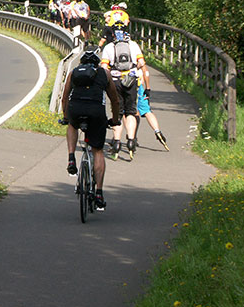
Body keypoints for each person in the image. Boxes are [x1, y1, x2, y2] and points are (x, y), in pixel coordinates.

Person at [61, 47, 121, 210]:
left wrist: (66, 117)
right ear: (97, 62)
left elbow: (65, 97)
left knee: (72, 125)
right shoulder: (104, 74)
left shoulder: (74, 73)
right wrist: (115, 120)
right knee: (97, 150)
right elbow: (115, 101)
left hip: (76, 108)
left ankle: (71, 157)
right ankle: (99, 192)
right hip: (96, 112)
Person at [100, 25, 146, 160]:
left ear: (113, 34)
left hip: (115, 82)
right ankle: (131, 141)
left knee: (117, 112)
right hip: (131, 81)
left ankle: (117, 142)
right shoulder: (133, 45)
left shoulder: (108, 47)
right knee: (131, 111)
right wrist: (133, 72)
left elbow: (104, 67)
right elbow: (141, 63)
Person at [135, 65, 170, 151]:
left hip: (126, 85)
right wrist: (148, 87)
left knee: (128, 112)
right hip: (139, 85)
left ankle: (127, 138)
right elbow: (146, 72)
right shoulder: (137, 54)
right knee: (147, 111)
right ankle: (157, 131)